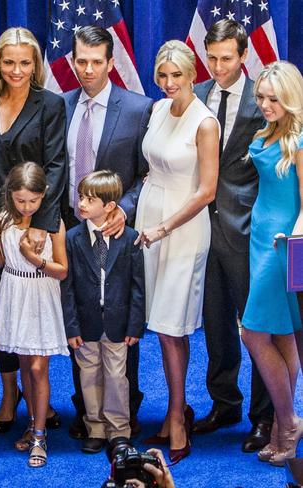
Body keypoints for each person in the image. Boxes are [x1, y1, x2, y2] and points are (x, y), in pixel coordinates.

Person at [0, 26, 66, 438]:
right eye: (8, 62)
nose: (16, 70)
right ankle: (10, 394)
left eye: (25, 62)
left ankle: (37, 399)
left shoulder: (52, 104)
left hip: (34, 225)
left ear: (36, 65)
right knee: (3, 313)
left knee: (33, 315)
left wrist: (39, 227)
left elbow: (57, 165)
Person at [61, 25, 153, 441]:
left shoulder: (137, 108)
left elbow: (147, 174)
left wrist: (124, 211)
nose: (88, 70)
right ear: (72, 60)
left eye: (97, 62)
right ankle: (86, 412)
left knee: (116, 323)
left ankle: (123, 418)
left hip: (116, 233)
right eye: (81, 61)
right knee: (78, 324)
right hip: (70, 233)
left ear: (111, 63)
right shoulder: (59, 106)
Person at [135, 40, 219, 463]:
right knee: (158, 323)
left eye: (177, 76)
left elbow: (207, 191)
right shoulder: (156, 110)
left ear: (192, 76)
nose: (169, 83)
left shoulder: (205, 123)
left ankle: (177, 416)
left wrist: (164, 227)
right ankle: (174, 409)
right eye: (162, 75)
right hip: (149, 217)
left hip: (182, 228)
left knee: (172, 326)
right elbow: (150, 168)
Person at [192, 19, 273, 452]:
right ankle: (225, 404)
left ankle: (264, 417)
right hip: (202, 230)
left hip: (249, 231)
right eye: (212, 58)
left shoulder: (264, 101)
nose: (219, 66)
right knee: (216, 323)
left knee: (257, 325)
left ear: (244, 56)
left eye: (227, 58)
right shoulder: (198, 93)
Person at [0, 162, 68, 468]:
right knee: (23, 364)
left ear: (44, 195)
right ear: (10, 196)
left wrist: (34, 258)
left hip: (41, 295)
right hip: (13, 293)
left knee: (37, 367)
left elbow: (62, 270)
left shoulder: (53, 223)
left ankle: (41, 436)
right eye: (21, 201)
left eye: (34, 200)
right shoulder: (5, 219)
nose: (27, 206)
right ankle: (32, 422)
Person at [240, 61, 303, 467]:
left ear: (290, 97)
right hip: (260, 239)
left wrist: (295, 239)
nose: (264, 104)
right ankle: (283, 427)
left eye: (273, 98)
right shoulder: (267, 133)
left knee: (253, 333)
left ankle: (288, 421)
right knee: (282, 335)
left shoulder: (299, 142)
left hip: (286, 244)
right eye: (260, 97)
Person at [62, 170, 145, 454]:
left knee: (117, 377)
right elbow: (68, 287)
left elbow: (137, 286)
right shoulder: (72, 238)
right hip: (85, 324)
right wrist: (71, 327)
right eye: (81, 197)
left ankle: (119, 429)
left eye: (90, 199)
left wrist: (135, 325)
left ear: (110, 206)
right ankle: (95, 427)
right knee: (88, 375)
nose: (82, 203)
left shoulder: (130, 238)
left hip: (118, 324)